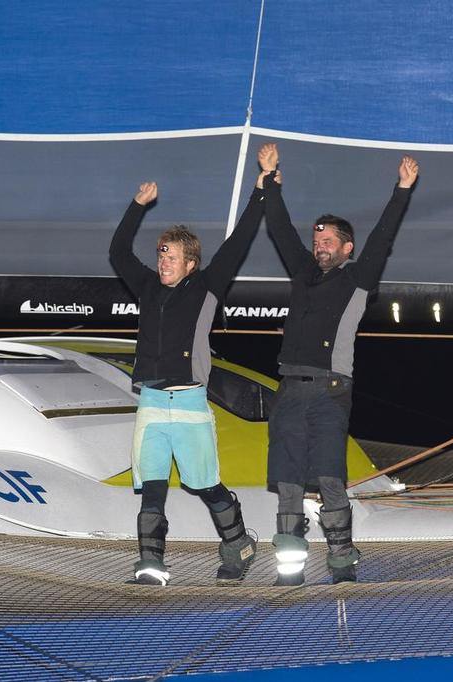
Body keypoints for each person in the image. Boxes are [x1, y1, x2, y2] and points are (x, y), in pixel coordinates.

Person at [108, 149, 276, 586]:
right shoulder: (146, 286)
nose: (162, 261)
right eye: (160, 254)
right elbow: (117, 251)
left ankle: (239, 543)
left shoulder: (205, 288)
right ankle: (150, 563)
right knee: (152, 489)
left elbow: (237, 244)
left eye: (170, 257)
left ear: (190, 263)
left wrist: (260, 192)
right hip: (149, 403)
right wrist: (137, 206)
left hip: (189, 405)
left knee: (205, 486)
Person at [260, 143, 419, 585]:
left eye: (328, 242)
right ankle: (289, 571)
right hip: (290, 390)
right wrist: (271, 181)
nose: (320, 247)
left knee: (330, 478)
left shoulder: (358, 278)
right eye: (317, 242)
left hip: (331, 392)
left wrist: (402, 189)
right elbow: (279, 229)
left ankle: (342, 562)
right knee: (288, 481)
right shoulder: (303, 274)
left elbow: (384, 237)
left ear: (347, 247)